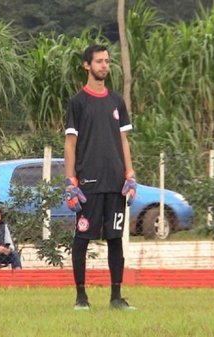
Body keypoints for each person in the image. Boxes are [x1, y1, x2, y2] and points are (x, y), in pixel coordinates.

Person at [64, 44, 137, 310]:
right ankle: (81, 297)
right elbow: (70, 143)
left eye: (107, 61)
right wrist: (70, 180)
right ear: (87, 66)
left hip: (116, 184)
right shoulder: (78, 102)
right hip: (89, 185)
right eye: (99, 61)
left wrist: (129, 173)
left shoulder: (117, 101)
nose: (104, 65)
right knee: (82, 239)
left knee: (115, 239)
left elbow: (124, 139)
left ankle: (116, 297)